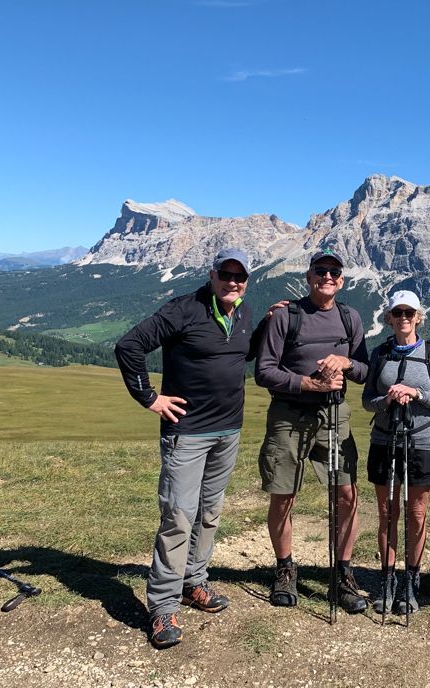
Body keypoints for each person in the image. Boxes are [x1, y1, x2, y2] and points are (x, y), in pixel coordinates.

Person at [115, 248, 256, 649]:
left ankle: (195, 582)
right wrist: (151, 399)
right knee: (178, 515)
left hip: (228, 432)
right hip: (187, 433)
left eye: (240, 277)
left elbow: (254, 352)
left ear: (247, 280)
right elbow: (129, 346)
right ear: (212, 275)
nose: (233, 282)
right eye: (226, 275)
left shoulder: (244, 312)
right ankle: (162, 607)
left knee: (209, 513)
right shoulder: (183, 309)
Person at [254, 249, 369, 614]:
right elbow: (263, 370)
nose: (328, 277)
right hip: (289, 414)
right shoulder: (286, 315)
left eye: (334, 272)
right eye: (321, 271)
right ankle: (285, 568)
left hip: (335, 414)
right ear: (309, 277)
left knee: (347, 494)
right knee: (283, 494)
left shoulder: (351, 317)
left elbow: (365, 371)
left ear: (342, 279)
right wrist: (306, 383)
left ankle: (343, 573)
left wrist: (347, 362)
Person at [363, 290, 430, 616]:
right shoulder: (380, 353)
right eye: (397, 313)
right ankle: (387, 579)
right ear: (389, 317)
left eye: (409, 313)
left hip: (421, 441)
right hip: (385, 440)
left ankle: (412, 578)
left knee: (417, 513)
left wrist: (415, 393)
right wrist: (386, 399)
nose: (403, 318)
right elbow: (366, 401)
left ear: (418, 317)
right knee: (387, 513)